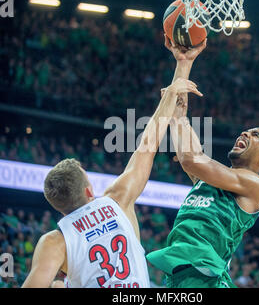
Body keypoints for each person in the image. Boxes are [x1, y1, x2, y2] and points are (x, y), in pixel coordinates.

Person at [22, 77, 204, 288]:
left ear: (58, 207)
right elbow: (147, 145)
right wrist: (173, 90)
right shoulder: (117, 201)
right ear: (89, 191)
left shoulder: (54, 242)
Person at [146, 36, 259, 288]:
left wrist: (177, 116)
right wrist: (184, 61)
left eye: (255, 134)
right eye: (246, 131)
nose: (245, 133)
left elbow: (191, 158)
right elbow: (181, 121)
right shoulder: (210, 181)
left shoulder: (255, 184)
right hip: (177, 275)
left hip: (205, 277)